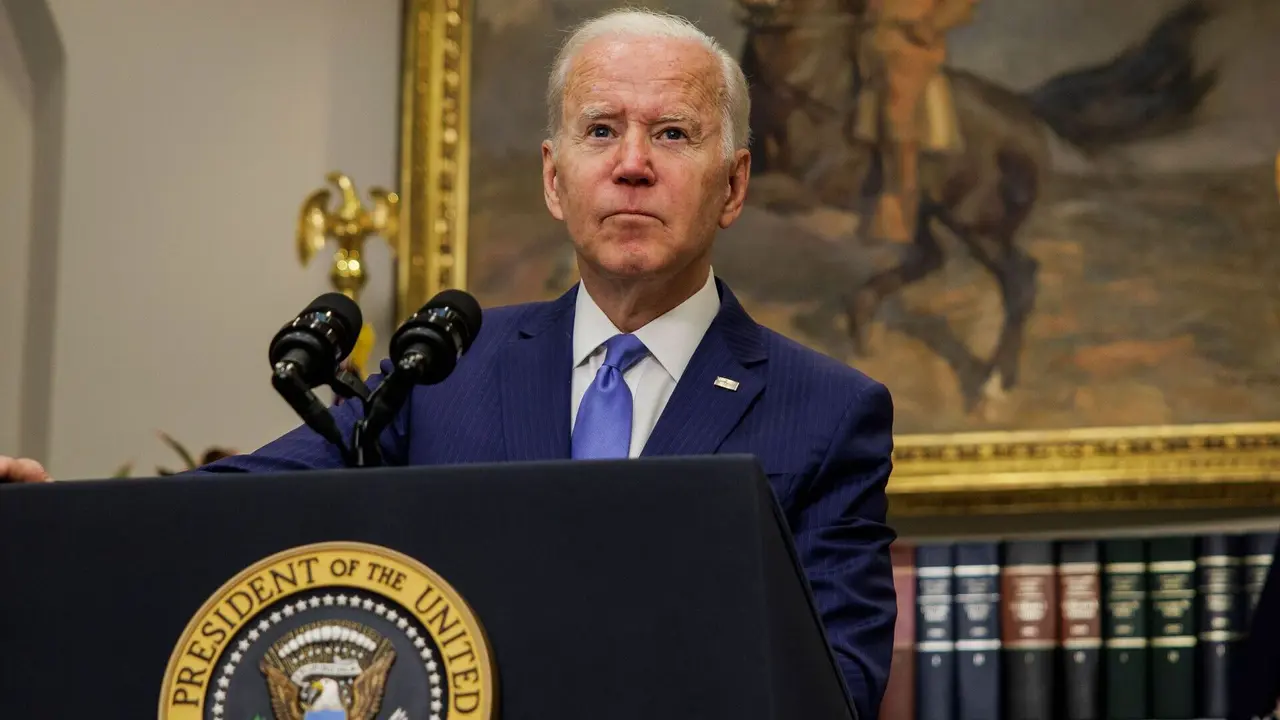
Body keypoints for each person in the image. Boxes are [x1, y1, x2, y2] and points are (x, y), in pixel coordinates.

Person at [0, 8, 897, 718]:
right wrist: (55, 519)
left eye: (670, 133)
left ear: (731, 184)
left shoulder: (827, 412)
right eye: (599, 131)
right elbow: (249, 498)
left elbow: (835, 684)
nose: (631, 165)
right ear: (555, 180)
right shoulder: (444, 373)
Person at [853, 0, 977, 243]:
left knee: (899, 116)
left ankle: (899, 213)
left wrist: (928, 26)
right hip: (870, 42)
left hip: (910, 46)